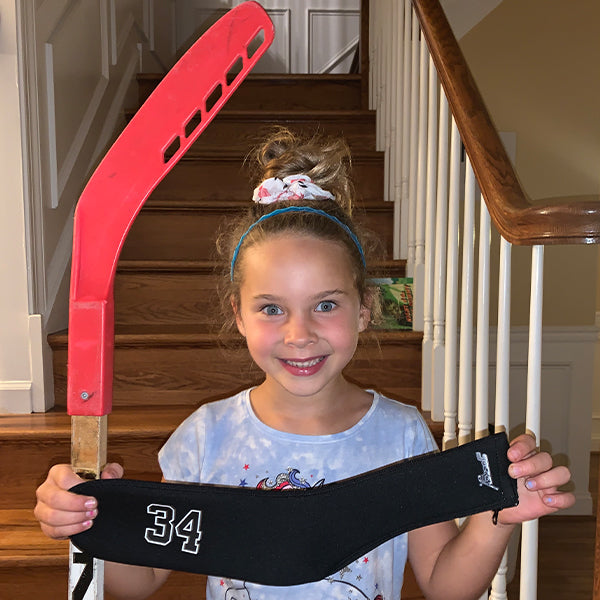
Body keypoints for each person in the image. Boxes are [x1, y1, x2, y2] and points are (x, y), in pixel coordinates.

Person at [35, 128, 574, 600]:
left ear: (364, 310)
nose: (300, 335)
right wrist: (90, 523)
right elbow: (144, 578)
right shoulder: (206, 436)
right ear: (238, 315)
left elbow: (442, 583)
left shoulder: (401, 435)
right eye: (272, 309)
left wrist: (495, 520)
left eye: (326, 305)